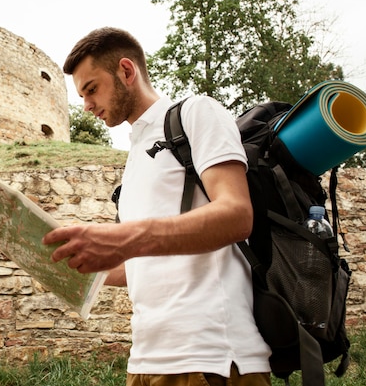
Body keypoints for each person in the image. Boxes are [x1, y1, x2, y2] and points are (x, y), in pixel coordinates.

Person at [42, 27, 272, 386]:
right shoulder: (134, 158)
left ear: (126, 71)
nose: (86, 106)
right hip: (144, 362)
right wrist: (69, 265)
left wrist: (126, 237)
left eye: (91, 89)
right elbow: (136, 262)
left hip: (209, 358)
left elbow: (237, 215)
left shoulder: (197, 113)